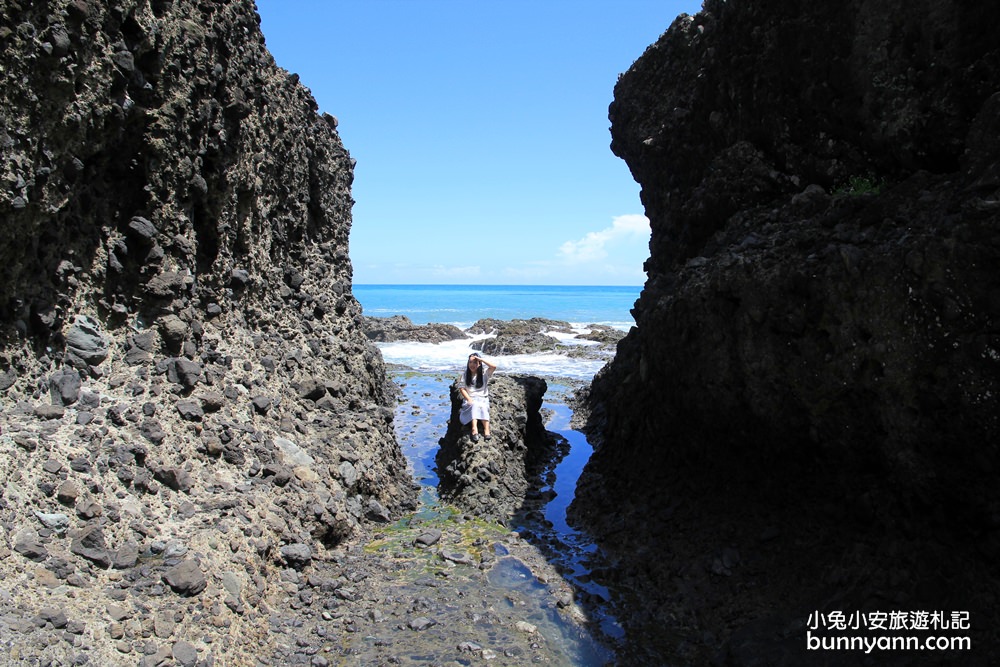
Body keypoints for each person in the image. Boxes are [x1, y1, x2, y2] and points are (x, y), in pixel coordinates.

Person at [458, 352, 497, 442]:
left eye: (475, 362)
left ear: (479, 364)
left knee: (482, 406)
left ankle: (487, 430)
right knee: (474, 405)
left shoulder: (484, 374)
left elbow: (493, 366)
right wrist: (468, 399)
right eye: (470, 362)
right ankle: (474, 429)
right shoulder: (465, 375)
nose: (472, 365)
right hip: (470, 398)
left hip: (482, 398)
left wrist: (481, 359)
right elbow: (462, 388)